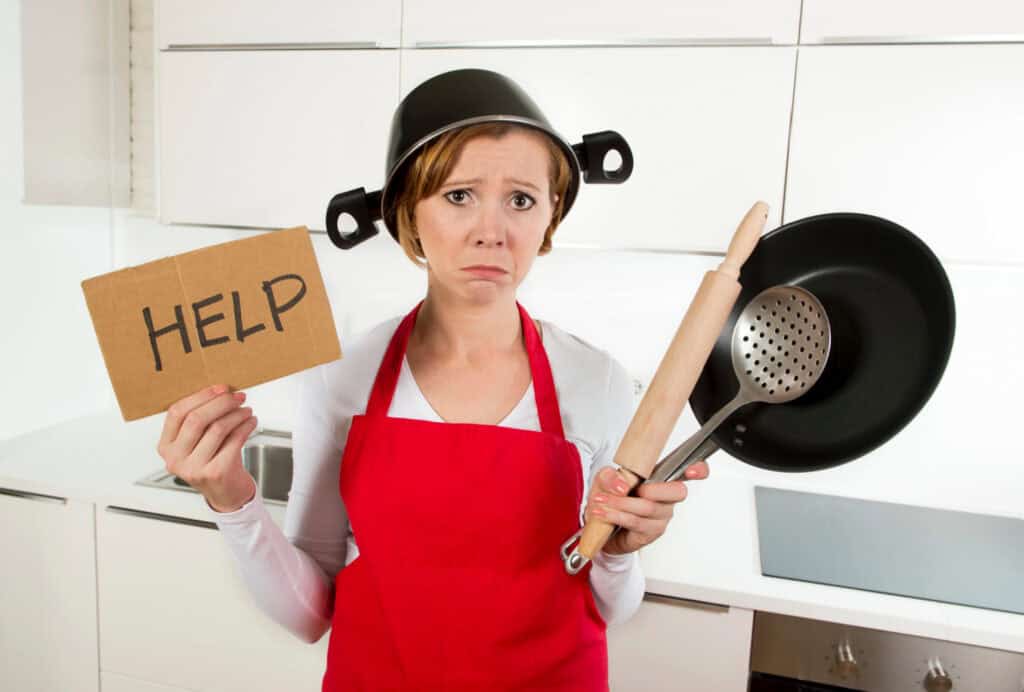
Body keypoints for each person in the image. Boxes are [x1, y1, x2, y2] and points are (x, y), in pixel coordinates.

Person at [156, 71, 710, 691]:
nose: (491, 230)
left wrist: (616, 552)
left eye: (521, 199)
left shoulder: (596, 379)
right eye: (458, 195)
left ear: (550, 218)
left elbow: (610, 607)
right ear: (407, 216)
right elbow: (312, 614)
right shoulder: (344, 376)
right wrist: (230, 497)